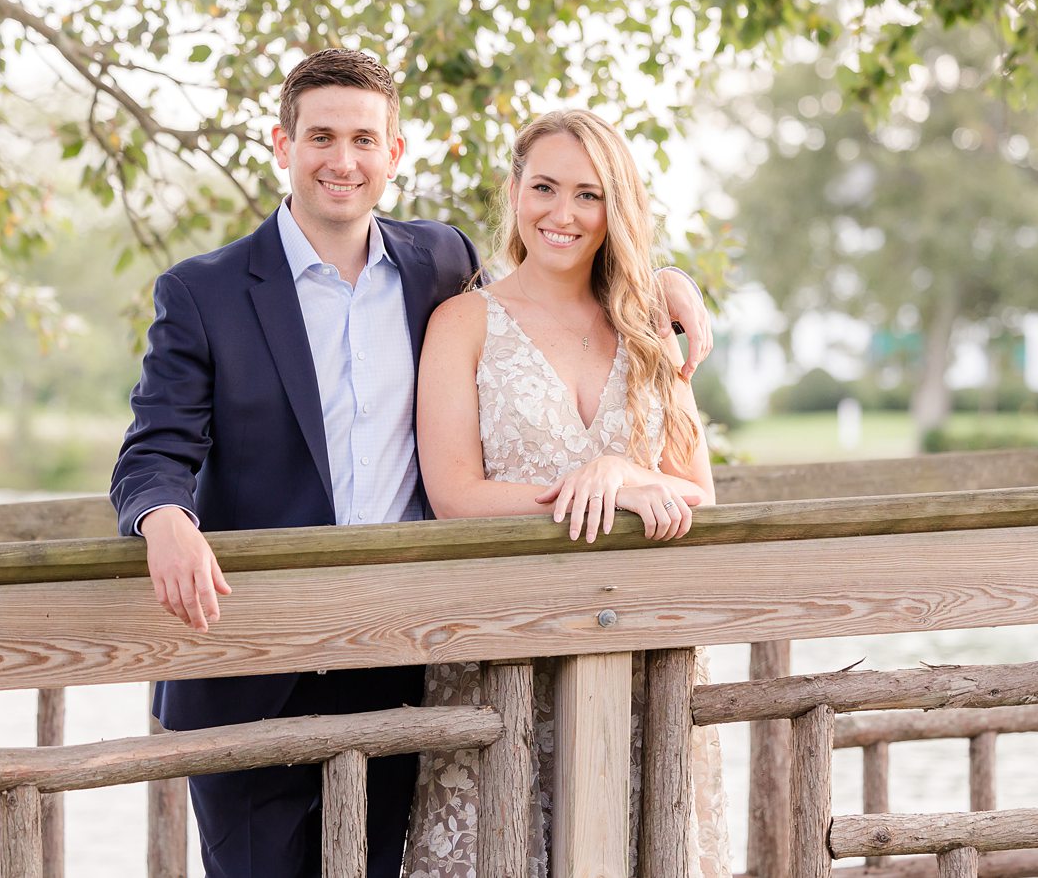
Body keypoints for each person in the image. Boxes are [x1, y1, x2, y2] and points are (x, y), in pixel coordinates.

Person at [109, 50, 714, 878]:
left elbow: (553, 288)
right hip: (252, 663)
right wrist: (164, 518)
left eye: (364, 139)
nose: (342, 160)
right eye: (321, 136)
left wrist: (663, 279)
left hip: (400, 654)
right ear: (282, 145)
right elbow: (155, 444)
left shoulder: (437, 262)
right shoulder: (203, 291)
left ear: (395, 154)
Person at [407, 109, 726, 877]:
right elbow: (454, 493)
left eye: (588, 195)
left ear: (615, 207)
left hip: (647, 659)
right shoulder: (463, 322)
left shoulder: (648, 324)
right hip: (507, 653)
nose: (563, 213)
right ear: (514, 189)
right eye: (544, 186)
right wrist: (591, 495)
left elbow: (702, 495)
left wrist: (625, 474)